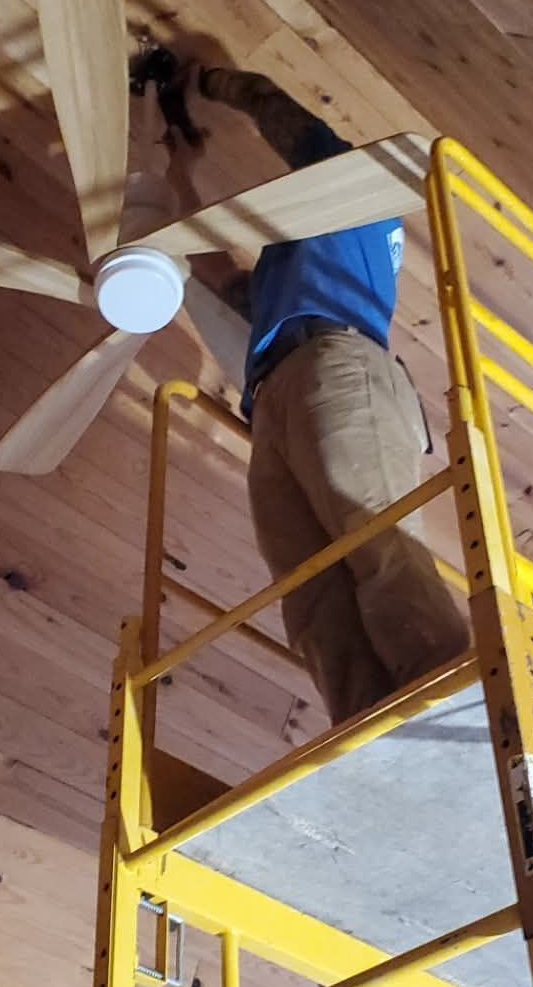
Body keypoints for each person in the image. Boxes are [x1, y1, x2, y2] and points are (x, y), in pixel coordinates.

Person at [176, 64, 473, 724]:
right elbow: (226, 287)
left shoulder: (350, 198)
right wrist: (165, 195)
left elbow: (294, 125)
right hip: (284, 385)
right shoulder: (291, 271)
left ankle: (455, 723)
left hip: (340, 362)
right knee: (312, 599)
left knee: (380, 550)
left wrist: (213, 82)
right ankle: (370, 731)